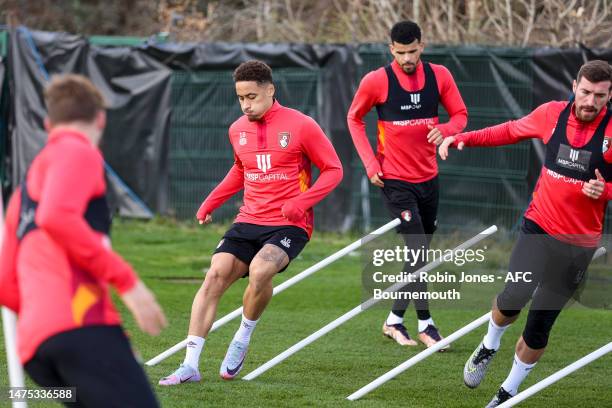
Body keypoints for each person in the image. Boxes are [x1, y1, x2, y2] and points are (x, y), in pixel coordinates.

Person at [439, 60, 612, 407]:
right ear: (574, 85)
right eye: (586, 92)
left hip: (578, 244)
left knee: (539, 327)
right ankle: (489, 344)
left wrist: (606, 191)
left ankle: (508, 392)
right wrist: (462, 139)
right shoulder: (551, 114)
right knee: (514, 296)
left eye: (600, 95)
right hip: (538, 226)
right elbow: (508, 130)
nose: (591, 101)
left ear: (610, 96)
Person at [159, 60, 343, 385]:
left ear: (271, 90)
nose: (246, 105)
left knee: (260, 271)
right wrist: (210, 201)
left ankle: (242, 338)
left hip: (289, 224)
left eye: (252, 97)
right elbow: (241, 171)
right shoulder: (236, 129)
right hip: (249, 219)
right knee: (214, 275)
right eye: (241, 98)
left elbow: (334, 169)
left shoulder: (301, 125)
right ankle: (189, 365)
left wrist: (302, 202)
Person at [0, 74, 167, 407]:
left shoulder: (23, 192)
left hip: (38, 350)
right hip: (79, 327)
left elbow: (6, 282)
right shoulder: (78, 151)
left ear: (48, 124)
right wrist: (128, 283)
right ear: (101, 118)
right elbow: (56, 217)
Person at [347, 20, 467, 348]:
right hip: (394, 180)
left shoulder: (439, 75)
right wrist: (371, 163)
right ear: (391, 50)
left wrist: (447, 129)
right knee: (417, 249)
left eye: (412, 51)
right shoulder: (377, 81)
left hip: (429, 178)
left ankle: (394, 320)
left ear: (422, 46)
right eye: (400, 53)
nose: (406, 59)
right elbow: (354, 119)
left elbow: (460, 115)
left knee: (419, 254)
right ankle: (427, 325)